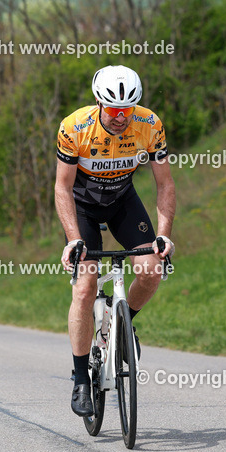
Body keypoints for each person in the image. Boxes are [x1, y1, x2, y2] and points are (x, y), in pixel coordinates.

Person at [55, 65, 176, 417]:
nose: (122, 117)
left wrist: (163, 233)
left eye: (128, 109)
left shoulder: (150, 124)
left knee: (151, 269)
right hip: (83, 206)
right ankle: (80, 380)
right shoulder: (74, 127)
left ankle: (124, 325)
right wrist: (73, 240)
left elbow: (165, 184)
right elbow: (62, 187)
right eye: (113, 110)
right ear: (98, 103)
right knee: (85, 285)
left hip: (123, 200)